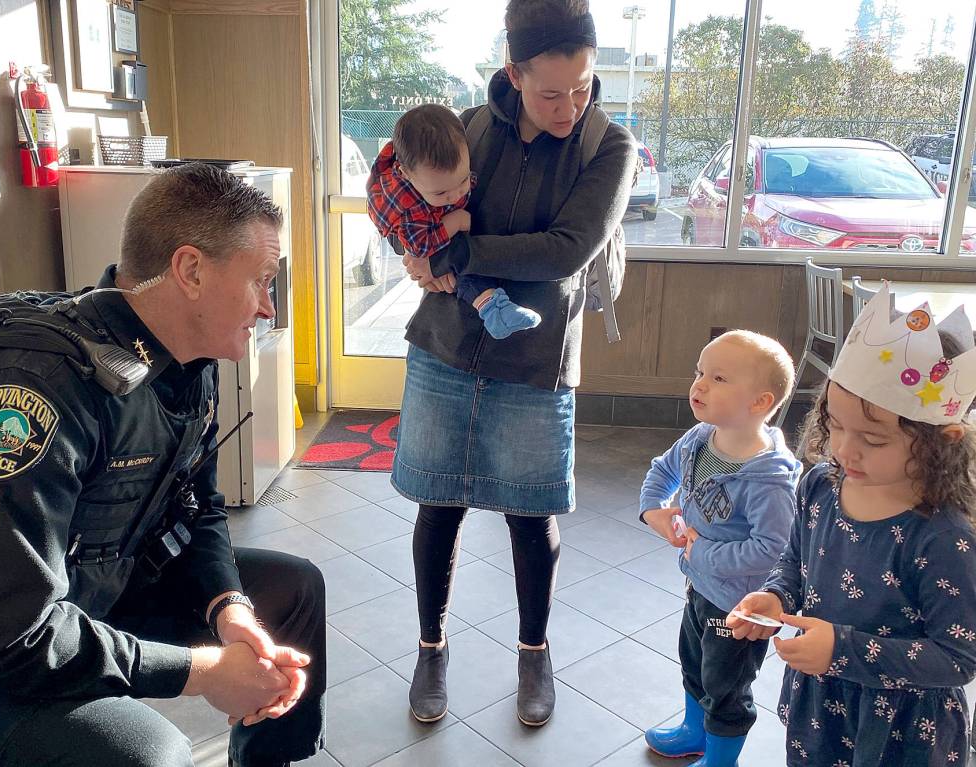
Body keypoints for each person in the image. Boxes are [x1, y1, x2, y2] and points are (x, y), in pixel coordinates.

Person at [0, 163, 326, 767]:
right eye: (261, 281)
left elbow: (199, 508)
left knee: (291, 589)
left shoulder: (185, 361)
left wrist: (229, 609)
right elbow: (4, 638)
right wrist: (202, 671)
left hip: (92, 591)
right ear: (191, 271)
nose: (267, 307)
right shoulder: (35, 390)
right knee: (153, 754)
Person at [391, 0, 638, 728]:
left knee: (532, 516)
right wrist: (414, 248)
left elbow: (567, 250)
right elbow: (408, 197)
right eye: (550, 93)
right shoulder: (466, 128)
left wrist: (462, 249)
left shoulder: (609, 146)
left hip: (537, 357)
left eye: (583, 87)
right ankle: (430, 647)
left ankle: (534, 652)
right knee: (438, 506)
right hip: (445, 345)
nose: (569, 108)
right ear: (513, 72)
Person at [728, 284, 976, 766]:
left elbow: (958, 658)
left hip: (903, 727)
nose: (843, 449)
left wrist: (841, 650)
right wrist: (777, 596)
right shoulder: (821, 485)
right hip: (821, 707)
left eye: (873, 439)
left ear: (942, 441)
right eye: (836, 425)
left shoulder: (944, 538)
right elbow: (796, 560)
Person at [638, 330, 801, 767]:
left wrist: (702, 553)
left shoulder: (770, 481)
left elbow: (773, 550)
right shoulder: (700, 438)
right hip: (701, 587)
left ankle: (720, 761)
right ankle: (695, 732)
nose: (700, 384)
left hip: (740, 608)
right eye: (700, 372)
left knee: (727, 687)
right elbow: (663, 470)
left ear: (760, 402)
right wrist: (653, 510)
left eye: (719, 378)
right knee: (694, 662)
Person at [367, 104, 541, 339]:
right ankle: (493, 309)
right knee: (465, 275)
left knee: (461, 269)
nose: (456, 195)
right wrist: (454, 223)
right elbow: (418, 248)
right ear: (406, 175)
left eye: (463, 180)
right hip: (438, 327)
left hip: (453, 279)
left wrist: (438, 263)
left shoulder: (451, 140)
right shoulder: (406, 206)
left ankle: (494, 309)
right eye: (440, 193)